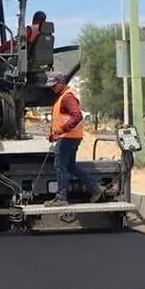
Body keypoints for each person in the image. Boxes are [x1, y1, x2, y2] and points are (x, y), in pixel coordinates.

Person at [43, 71, 106, 206]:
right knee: (70, 166)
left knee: (60, 166)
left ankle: (61, 198)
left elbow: (77, 116)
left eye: (54, 85)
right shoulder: (63, 97)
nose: (52, 88)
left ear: (61, 83)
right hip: (69, 137)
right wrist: (55, 133)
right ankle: (95, 188)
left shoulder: (67, 97)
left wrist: (62, 130)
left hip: (67, 138)